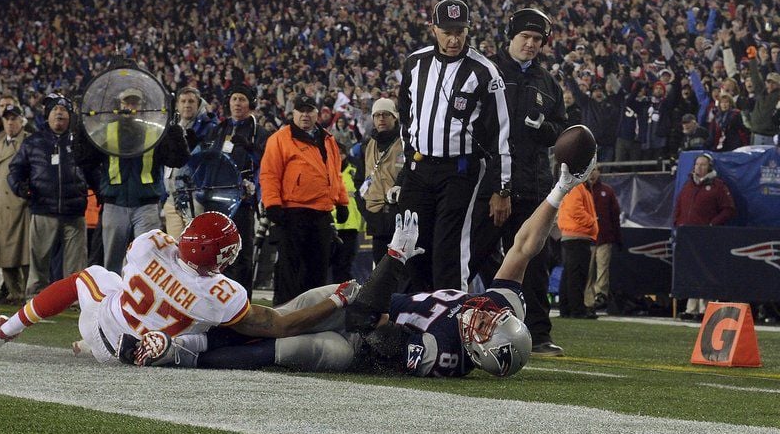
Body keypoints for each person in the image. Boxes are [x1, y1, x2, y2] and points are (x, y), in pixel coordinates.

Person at [129, 156, 596, 376]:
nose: (485, 314)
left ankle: (178, 353)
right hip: (366, 300)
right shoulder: (495, 306)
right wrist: (560, 190)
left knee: (299, 350)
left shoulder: (443, 353)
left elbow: (367, 326)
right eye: (494, 314)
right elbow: (523, 248)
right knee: (279, 317)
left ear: (479, 354)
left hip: (360, 340)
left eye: (486, 327)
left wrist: (392, 261)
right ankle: (169, 334)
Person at [0, 211, 361, 365]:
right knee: (219, 330)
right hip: (140, 348)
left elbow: (143, 263)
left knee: (88, 276)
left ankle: (5, 331)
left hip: (103, 323)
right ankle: (160, 346)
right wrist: (336, 300)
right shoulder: (220, 293)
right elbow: (282, 325)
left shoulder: (151, 244)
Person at [396, 0, 511, 294]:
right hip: (419, 167)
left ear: (468, 30)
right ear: (433, 29)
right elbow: (407, 119)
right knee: (410, 245)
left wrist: (501, 188)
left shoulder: (485, 72)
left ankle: (448, 321)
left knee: (449, 249)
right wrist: (409, 161)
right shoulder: (415, 63)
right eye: (447, 31)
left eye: (460, 31)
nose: (454, 38)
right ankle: (410, 321)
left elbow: (501, 134)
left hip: (458, 171)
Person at [471, 8, 567, 357]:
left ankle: (539, 333)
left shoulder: (548, 82)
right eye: (525, 37)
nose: (530, 44)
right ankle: (451, 321)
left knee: (536, 264)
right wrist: (497, 185)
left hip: (533, 184)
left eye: (537, 39)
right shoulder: (487, 72)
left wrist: (544, 129)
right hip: (488, 183)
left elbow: (561, 131)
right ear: (510, 37)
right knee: (471, 256)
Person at [75, 82, 190, 275]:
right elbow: (84, 159)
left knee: (148, 258)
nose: (131, 107)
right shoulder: (107, 130)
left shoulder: (155, 130)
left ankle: (144, 301)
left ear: (143, 105)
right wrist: (81, 127)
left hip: (145, 204)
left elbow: (178, 159)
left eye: (135, 102)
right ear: (120, 105)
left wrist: (173, 128)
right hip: (115, 203)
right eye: (127, 102)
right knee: (111, 259)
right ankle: (110, 300)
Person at [260, 94, 349, 305]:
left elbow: (335, 174)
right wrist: (272, 204)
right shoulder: (280, 139)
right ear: (294, 112)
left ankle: (312, 318)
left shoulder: (328, 139)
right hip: (293, 213)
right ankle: (284, 315)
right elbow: (269, 174)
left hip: (321, 213)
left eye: (309, 110)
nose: (305, 115)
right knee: (290, 271)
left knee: (317, 270)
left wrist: (342, 201)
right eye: (301, 110)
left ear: (317, 113)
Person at [7, 93, 89, 298]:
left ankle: (75, 298)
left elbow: (93, 170)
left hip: (74, 210)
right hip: (43, 208)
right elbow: (15, 170)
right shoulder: (33, 141)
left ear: (70, 116)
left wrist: (101, 193)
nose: (59, 113)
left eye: (63, 110)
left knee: (76, 264)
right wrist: (21, 188)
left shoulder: (81, 141)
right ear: (47, 116)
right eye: (55, 110)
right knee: (39, 261)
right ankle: (35, 298)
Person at [197, 83, 269, 291]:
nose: (238, 103)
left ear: (251, 104)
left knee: (241, 252)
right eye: (234, 99)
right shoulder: (219, 129)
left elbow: (266, 161)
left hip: (242, 201)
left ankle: (242, 301)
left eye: (242, 99)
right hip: (216, 198)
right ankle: (219, 299)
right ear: (228, 102)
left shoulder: (259, 132)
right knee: (216, 252)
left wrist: (250, 147)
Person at [673, 153, 735, 321]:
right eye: (697, 164)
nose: (699, 167)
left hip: (706, 237)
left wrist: (712, 225)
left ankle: (705, 308)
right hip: (687, 236)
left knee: (705, 271)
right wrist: (677, 225)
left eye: (703, 164)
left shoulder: (717, 186)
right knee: (691, 272)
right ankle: (691, 307)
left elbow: (728, 209)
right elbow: (678, 207)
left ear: (710, 167)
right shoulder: (688, 185)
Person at [0, 104, 31, 303]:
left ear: (21, 121)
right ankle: (14, 292)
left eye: (14, 118)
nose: (10, 122)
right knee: (3, 252)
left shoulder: (28, 141)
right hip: (0, 204)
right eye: (7, 119)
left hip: (22, 204)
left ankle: (29, 292)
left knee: (25, 253)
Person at [353, 98, 404, 264]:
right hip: (376, 220)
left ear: (394, 117)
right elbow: (359, 181)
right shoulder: (366, 146)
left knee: (404, 272)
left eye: (386, 114)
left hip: (401, 218)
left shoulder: (406, 142)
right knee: (381, 275)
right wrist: (366, 211)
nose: (381, 118)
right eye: (377, 115)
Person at [162, 86, 217, 239]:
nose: (187, 105)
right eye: (183, 101)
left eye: (191, 101)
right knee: (174, 248)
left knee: (195, 246)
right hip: (171, 197)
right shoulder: (171, 127)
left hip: (195, 197)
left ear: (199, 104)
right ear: (177, 105)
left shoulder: (209, 128)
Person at [557, 168, 599, 319]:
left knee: (570, 274)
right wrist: (593, 223)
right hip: (577, 234)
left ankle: (567, 308)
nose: (593, 173)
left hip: (572, 235)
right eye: (591, 170)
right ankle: (577, 310)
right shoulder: (578, 187)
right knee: (577, 275)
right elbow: (576, 210)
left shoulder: (578, 187)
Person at [584, 167, 621, 311]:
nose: (593, 173)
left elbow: (615, 215)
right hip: (587, 237)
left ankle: (601, 295)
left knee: (602, 268)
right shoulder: (582, 190)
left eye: (595, 170)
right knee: (588, 270)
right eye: (591, 170)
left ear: (599, 172)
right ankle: (588, 299)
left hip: (604, 237)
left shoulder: (607, 190)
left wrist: (616, 237)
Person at [329, 142, 361, 283]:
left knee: (344, 265)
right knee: (327, 264)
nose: (339, 156)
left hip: (350, 225)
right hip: (330, 224)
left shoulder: (354, 171)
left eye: (341, 153)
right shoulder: (327, 171)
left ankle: (342, 299)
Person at [746, 46, 780, 145]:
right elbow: (755, 77)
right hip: (755, 134)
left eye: (773, 83)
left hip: (770, 136)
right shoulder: (762, 93)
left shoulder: (778, 96)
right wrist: (752, 59)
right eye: (768, 82)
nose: (770, 84)